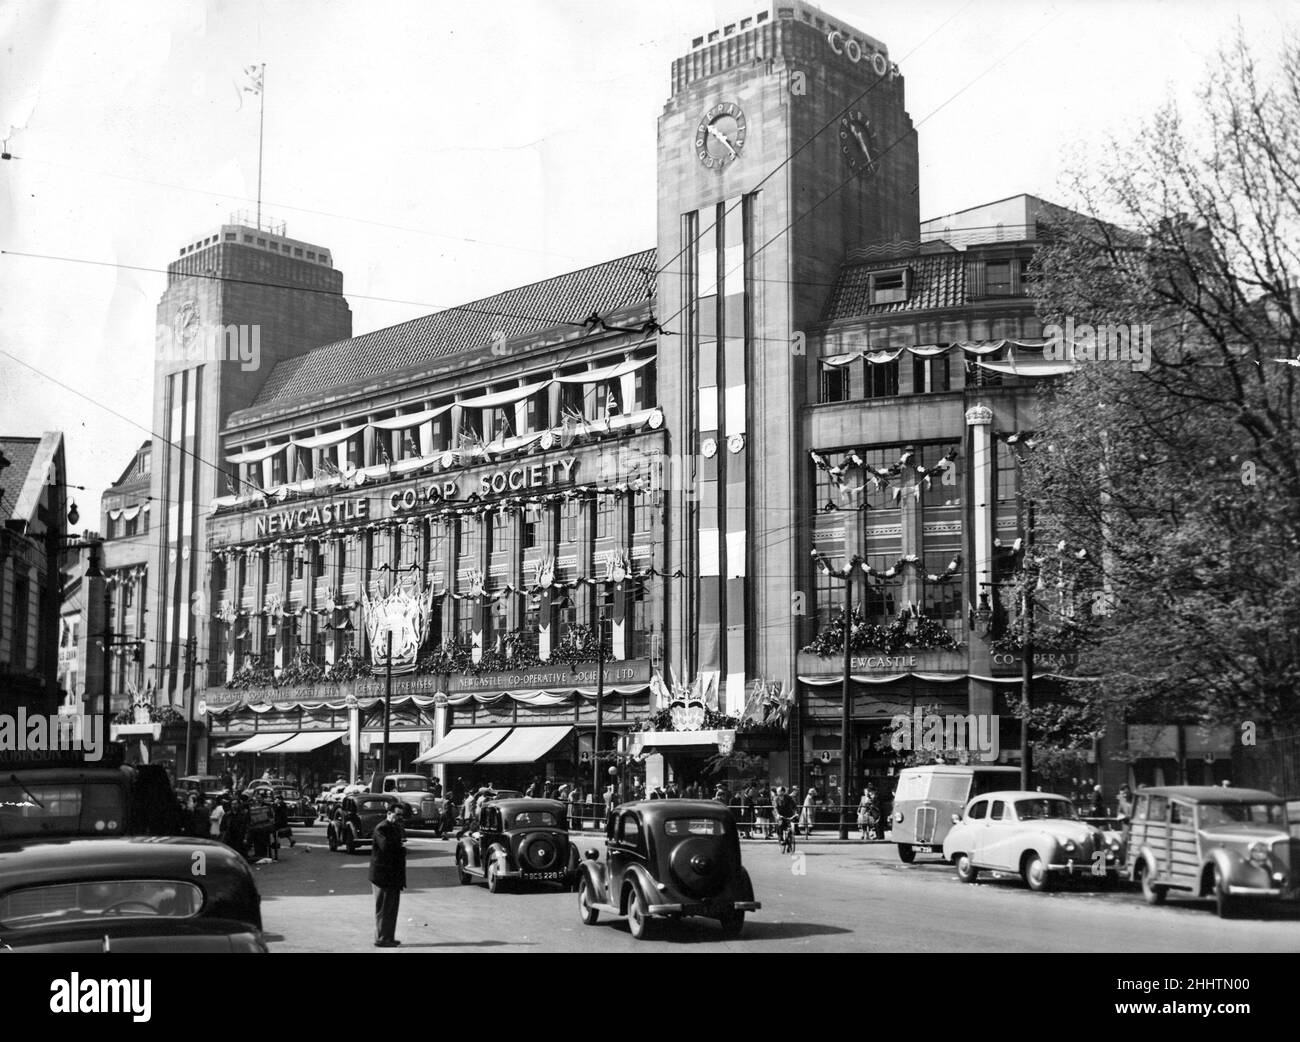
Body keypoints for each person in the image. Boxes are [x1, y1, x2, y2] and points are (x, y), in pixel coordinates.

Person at [370, 804, 407, 947]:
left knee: (391, 908)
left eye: (401, 816)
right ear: (389, 813)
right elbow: (386, 847)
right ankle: (382, 938)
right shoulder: (382, 827)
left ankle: (389, 937)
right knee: (384, 908)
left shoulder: (395, 827)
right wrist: (401, 849)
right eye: (397, 815)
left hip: (392, 876)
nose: (399, 818)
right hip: (383, 875)